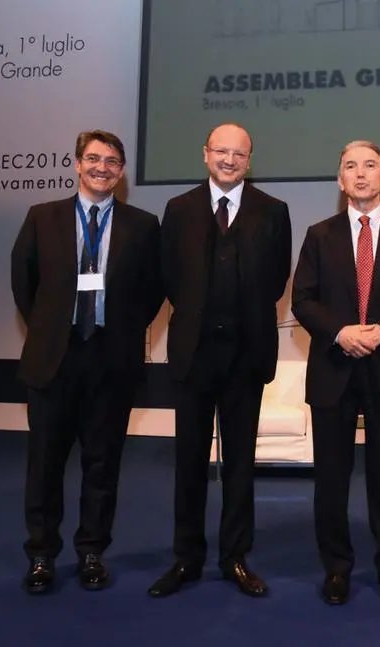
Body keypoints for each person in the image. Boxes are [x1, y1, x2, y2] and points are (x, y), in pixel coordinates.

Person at [11, 129, 164, 594]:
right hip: (53, 361)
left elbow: (153, 290)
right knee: (45, 465)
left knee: (103, 464)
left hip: (110, 362)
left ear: (121, 172)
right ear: (77, 164)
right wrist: (51, 327)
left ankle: (91, 550)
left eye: (113, 161)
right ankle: (41, 554)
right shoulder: (43, 218)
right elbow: (25, 282)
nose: (103, 168)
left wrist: (120, 329)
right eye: (94, 159)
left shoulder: (143, 225)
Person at [149, 123, 292, 598]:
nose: (229, 160)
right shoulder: (179, 209)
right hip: (193, 354)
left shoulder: (273, 212)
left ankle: (235, 558)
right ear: (205, 154)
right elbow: (169, 276)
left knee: (240, 464)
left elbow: (275, 281)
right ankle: (186, 559)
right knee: (189, 462)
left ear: (250, 160)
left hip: (246, 356)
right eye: (221, 151)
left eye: (239, 154)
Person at [291, 141, 380, 606]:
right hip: (333, 369)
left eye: (369, 166)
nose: (360, 174)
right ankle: (336, 567)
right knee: (331, 477)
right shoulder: (319, 234)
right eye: (350, 166)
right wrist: (341, 332)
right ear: (339, 180)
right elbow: (304, 300)